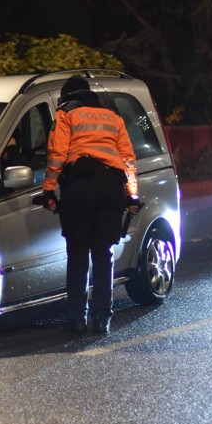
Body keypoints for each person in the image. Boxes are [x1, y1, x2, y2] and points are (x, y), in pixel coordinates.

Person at [42, 75, 139, 334]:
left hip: (80, 187)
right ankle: (103, 319)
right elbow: (128, 159)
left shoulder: (66, 114)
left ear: (66, 96)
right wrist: (132, 195)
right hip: (111, 189)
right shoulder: (113, 117)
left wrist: (49, 189)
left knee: (78, 254)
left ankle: (77, 319)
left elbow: (57, 153)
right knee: (103, 254)